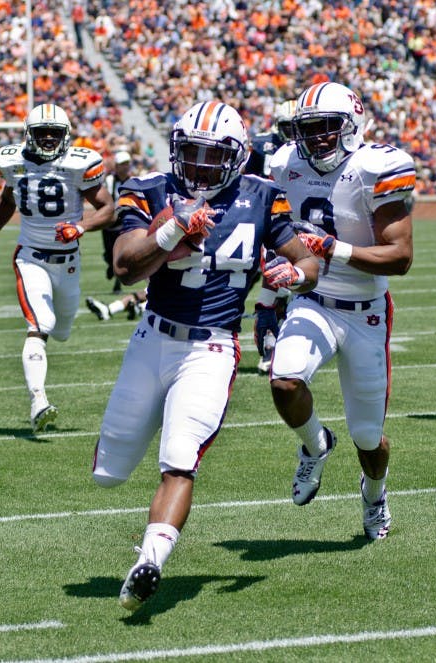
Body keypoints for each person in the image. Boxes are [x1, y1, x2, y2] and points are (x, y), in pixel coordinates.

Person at [91, 100, 319, 611]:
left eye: (210, 155)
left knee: (180, 459)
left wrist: (295, 275)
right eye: (189, 152)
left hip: (212, 347)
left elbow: (305, 258)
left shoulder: (262, 196)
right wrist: (172, 228)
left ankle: (149, 560)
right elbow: (125, 265)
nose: (196, 165)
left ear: (237, 158)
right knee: (110, 471)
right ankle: (148, 543)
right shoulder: (149, 188)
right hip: (152, 339)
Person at [266, 81, 415, 541]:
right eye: (309, 129)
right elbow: (268, 234)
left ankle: (375, 493)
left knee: (369, 437)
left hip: (366, 309)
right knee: (284, 379)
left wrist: (334, 248)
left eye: (328, 128)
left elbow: (400, 257)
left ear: (351, 126)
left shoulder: (377, 167)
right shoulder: (283, 163)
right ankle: (315, 443)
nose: (318, 139)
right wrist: (267, 300)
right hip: (311, 299)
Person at [0, 103, 115, 433]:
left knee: (62, 331)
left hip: (68, 261)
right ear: (29, 134)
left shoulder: (80, 164)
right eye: (42, 132)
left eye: (55, 132)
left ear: (66, 135)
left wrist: (80, 227)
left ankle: (40, 390)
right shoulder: (13, 161)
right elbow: (7, 199)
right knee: (41, 324)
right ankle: (38, 400)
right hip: (30, 257)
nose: (49, 138)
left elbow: (109, 209)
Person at [248, 100, 298, 374]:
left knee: (295, 288)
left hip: (297, 220)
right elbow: (248, 179)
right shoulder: (264, 145)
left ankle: (284, 344)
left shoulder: (308, 149)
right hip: (271, 218)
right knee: (273, 285)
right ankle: (269, 348)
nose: (292, 133)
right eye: (287, 128)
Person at [101, 150, 135, 293]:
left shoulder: (133, 181)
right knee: (109, 254)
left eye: (127, 163)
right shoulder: (110, 180)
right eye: (122, 164)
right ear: (116, 166)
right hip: (109, 224)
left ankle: (117, 285)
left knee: (120, 256)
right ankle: (109, 264)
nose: (125, 167)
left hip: (124, 223)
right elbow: (105, 199)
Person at [245, 99, 297, 177]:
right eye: (286, 124)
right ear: (277, 124)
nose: (291, 128)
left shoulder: (311, 145)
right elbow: (249, 176)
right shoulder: (260, 142)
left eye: (295, 124)